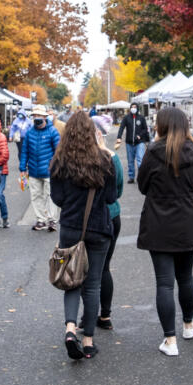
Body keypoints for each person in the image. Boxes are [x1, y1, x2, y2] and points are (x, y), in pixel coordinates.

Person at [50, 112, 118, 360]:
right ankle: (88, 340)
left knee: (71, 279)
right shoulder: (104, 160)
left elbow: (57, 198)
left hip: (70, 228)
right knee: (93, 285)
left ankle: (70, 329)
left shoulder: (59, 161)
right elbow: (111, 198)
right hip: (99, 228)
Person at [136, 108, 193, 356]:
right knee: (185, 278)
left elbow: (143, 185)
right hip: (185, 220)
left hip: (158, 222)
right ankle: (188, 324)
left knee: (164, 283)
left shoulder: (153, 153)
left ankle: (170, 340)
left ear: (161, 125)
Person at [92, 116, 124, 330]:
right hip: (112, 215)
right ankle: (105, 315)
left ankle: (87, 315)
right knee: (104, 267)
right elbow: (118, 189)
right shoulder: (113, 158)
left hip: (88, 218)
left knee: (87, 269)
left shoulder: (79, 158)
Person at [19, 105, 61, 231]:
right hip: (33, 171)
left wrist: (55, 167)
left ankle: (52, 220)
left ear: (44, 117)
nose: (36, 118)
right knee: (36, 196)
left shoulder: (53, 132)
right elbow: (24, 151)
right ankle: (41, 220)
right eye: (34, 116)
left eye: (39, 116)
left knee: (50, 196)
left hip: (48, 171)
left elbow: (58, 151)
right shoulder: (29, 133)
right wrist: (22, 168)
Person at [116, 104, 151, 184]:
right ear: (130, 108)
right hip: (129, 143)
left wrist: (140, 135)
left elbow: (145, 129)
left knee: (140, 160)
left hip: (139, 143)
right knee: (130, 161)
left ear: (137, 108)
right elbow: (121, 127)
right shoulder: (126, 118)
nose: (133, 108)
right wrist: (119, 137)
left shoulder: (141, 118)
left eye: (135, 107)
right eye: (132, 107)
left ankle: (141, 177)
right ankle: (131, 177)